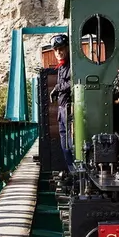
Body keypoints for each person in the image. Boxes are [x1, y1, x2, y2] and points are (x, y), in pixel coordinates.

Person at [49, 34, 72, 168]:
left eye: (61, 49)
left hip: (69, 111)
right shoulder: (62, 66)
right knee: (64, 145)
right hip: (62, 110)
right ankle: (71, 170)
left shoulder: (72, 65)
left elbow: (73, 82)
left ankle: (76, 171)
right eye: (56, 50)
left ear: (67, 48)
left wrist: (57, 88)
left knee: (70, 144)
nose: (58, 52)